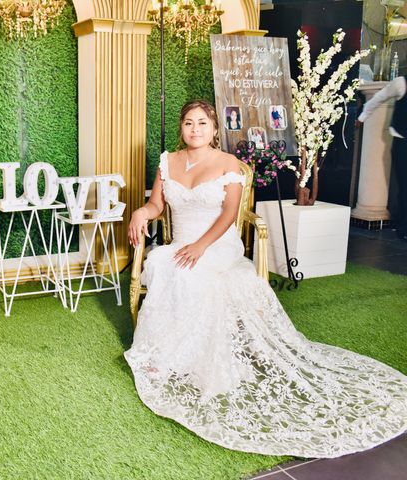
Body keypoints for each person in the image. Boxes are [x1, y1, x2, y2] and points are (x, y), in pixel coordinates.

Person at [125, 99, 407, 458]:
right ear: (182, 129)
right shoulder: (168, 162)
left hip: (216, 244)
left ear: (214, 130)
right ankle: (167, 354)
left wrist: (200, 246)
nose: (194, 129)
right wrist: (141, 211)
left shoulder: (230, 166)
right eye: (188, 123)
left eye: (202, 123)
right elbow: (157, 206)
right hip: (182, 242)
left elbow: (230, 215)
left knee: (195, 273)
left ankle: (196, 359)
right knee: (167, 265)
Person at [357, 74, 407, 241]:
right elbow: (379, 97)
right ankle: (403, 228)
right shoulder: (401, 82)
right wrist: (362, 117)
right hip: (403, 144)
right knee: (405, 186)